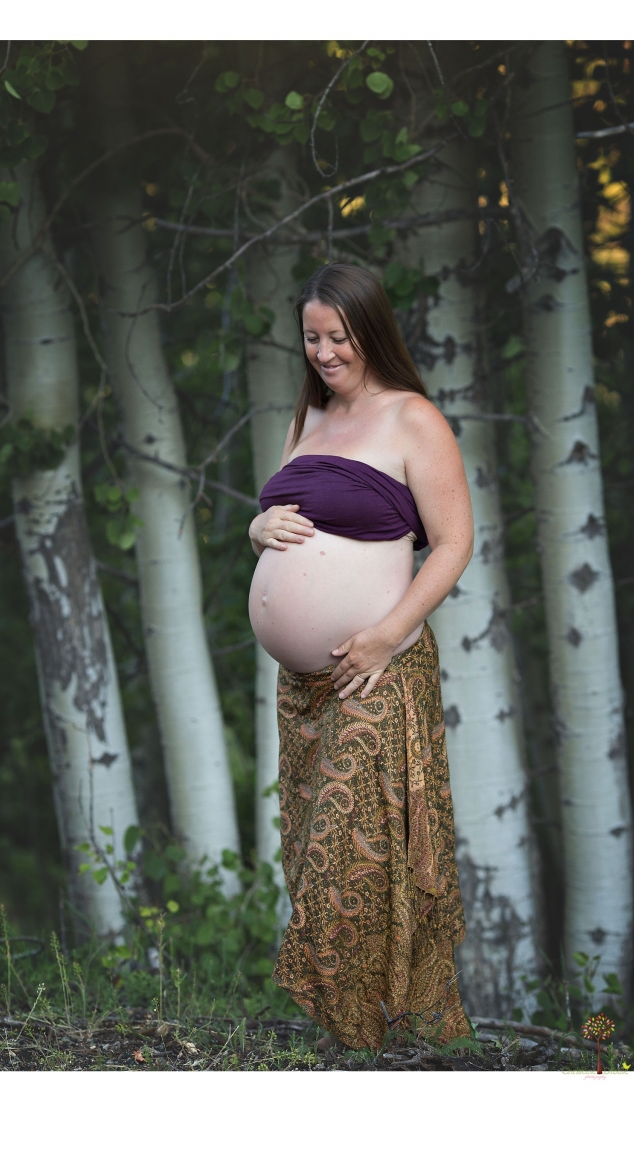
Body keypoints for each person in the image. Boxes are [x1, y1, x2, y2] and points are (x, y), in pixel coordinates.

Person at [247, 263, 474, 1052]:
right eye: (311, 337)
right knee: (317, 850)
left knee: (359, 855)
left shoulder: (412, 418)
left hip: (376, 670)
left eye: (338, 336)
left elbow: (453, 545)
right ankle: (351, 1036)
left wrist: (387, 631)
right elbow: (277, 514)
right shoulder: (308, 414)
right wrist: (256, 530)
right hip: (303, 687)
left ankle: (385, 1037)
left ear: (369, 329)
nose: (324, 352)